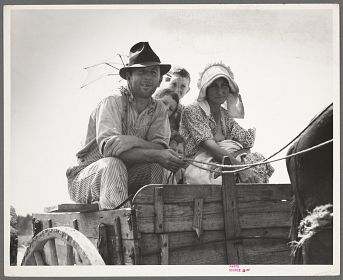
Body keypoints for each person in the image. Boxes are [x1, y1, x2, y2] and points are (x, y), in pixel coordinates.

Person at [66, 42, 186, 210]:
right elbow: (111, 150)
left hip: (129, 175)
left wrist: (132, 141)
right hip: (88, 177)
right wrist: (154, 152)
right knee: (114, 164)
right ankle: (122, 226)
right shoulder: (112, 101)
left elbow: (160, 148)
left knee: (157, 166)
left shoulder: (159, 109)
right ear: (128, 76)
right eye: (141, 72)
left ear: (160, 80)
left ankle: (151, 221)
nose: (148, 77)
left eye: (153, 72)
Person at [180, 62, 274, 184]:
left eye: (224, 86)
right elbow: (210, 147)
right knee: (236, 173)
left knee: (257, 160)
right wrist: (239, 167)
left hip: (225, 163)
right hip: (199, 167)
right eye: (214, 86)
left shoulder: (225, 115)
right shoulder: (193, 110)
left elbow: (247, 146)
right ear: (206, 89)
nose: (220, 91)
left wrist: (232, 159)